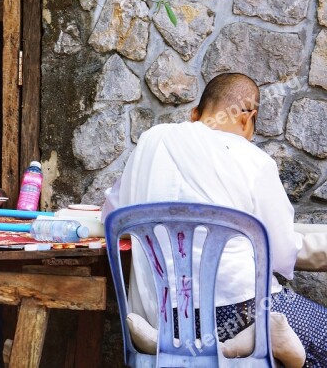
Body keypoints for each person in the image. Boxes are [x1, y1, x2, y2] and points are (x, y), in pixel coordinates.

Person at [102, 73, 327, 366]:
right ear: (249, 119)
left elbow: (111, 217)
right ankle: (253, 339)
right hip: (242, 310)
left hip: (162, 317)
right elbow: (281, 254)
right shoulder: (254, 161)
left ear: (194, 115)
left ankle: (174, 345)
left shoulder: (149, 142)